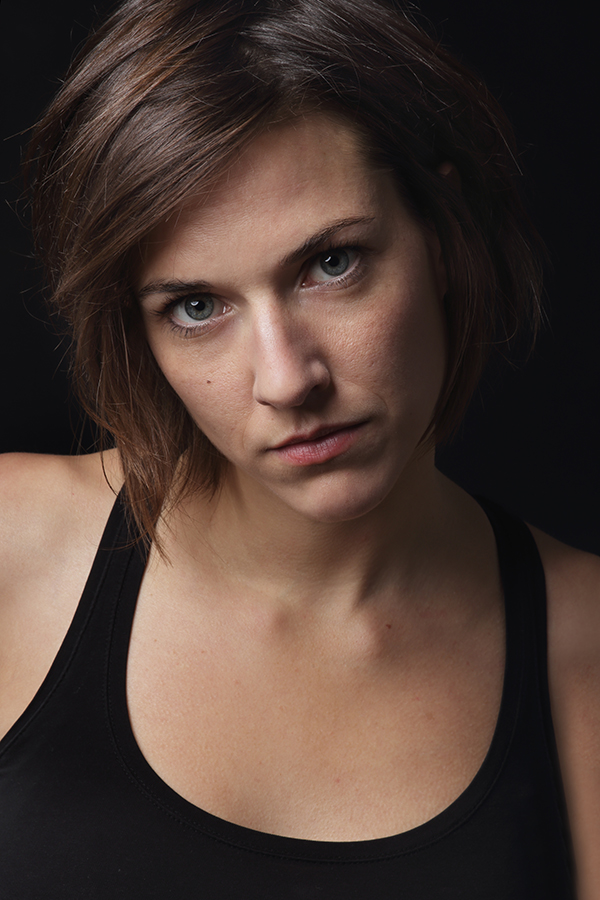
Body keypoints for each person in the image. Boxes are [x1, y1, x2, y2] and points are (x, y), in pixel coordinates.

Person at [0, 0, 598, 897]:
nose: (286, 380)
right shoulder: (11, 549)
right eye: (197, 307)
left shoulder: (584, 649)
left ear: (442, 233)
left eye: (331, 264)